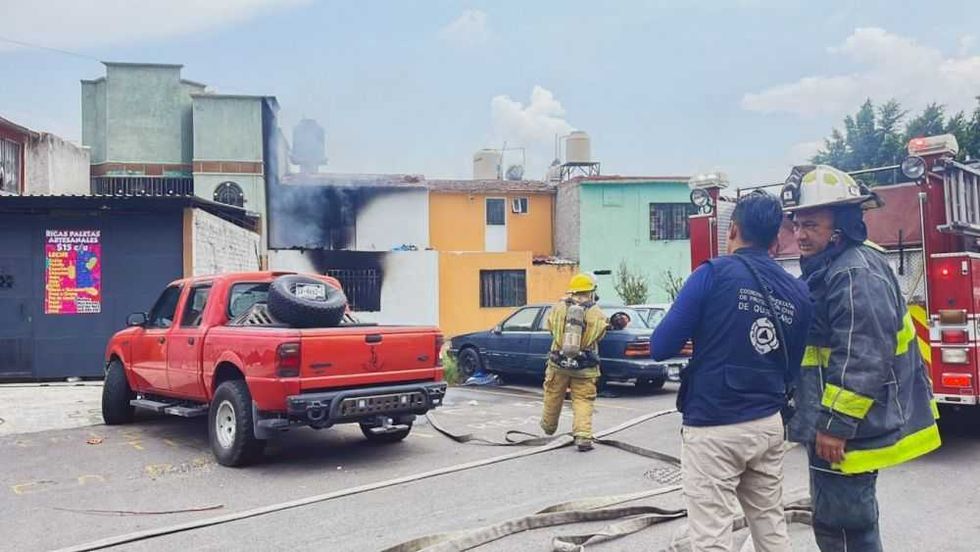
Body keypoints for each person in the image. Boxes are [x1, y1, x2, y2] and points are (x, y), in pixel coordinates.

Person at [781, 165, 941, 552]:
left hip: (845, 429)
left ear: (841, 226)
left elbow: (862, 355)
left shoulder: (855, 272)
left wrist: (835, 425)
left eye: (811, 225)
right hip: (834, 422)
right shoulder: (836, 266)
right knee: (838, 522)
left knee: (846, 527)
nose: (800, 234)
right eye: (797, 224)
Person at [651, 192, 813, 552]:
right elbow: (793, 365)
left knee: (711, 536)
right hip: (769, 423)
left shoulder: (712, 274)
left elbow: (660, 345)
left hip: (714, 425)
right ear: (776, 241)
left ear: (733, 229)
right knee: (770, 526)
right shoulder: (799, 293)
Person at [540, 273, 608, 451]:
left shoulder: (558, 308)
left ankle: (548, 426)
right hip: (585, 367)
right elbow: (600, 335)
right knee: (583, 400)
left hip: (558, 363)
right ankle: (583, 437)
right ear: (591, 292)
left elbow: (549, 327)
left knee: (553, 395)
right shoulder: (596, 312)